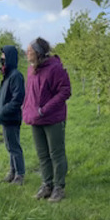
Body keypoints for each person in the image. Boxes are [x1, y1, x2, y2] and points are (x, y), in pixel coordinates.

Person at [22, 38, 71, 202]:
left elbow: (65, 91)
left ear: (38, 52)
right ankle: (47, 184)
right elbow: (30, 91)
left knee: (56, 153)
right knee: (42, 154)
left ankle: (59, 187)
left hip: (53, 118)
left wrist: (44, 109)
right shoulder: (31, 69)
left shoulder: (54, 68)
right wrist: (27, 107)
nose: (27, 53)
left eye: (30, 50)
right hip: (36, 119)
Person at [0, 45, 27, 184]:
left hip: (11, 117)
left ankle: (19, 174)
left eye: (4, 59)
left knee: (14, 146)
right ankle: (12, 170)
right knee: (9, 146)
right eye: (1, 59)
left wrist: (4, 110)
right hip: (6, 117)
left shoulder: (15, 76)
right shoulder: (7, 75)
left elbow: (18, 98)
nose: (2, 61)